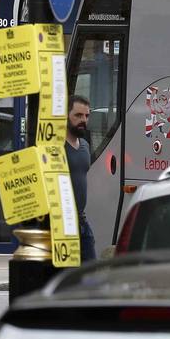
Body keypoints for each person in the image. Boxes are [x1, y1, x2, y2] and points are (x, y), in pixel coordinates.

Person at [65, 95, 96, 262]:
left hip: (81, 223)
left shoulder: (85, 145)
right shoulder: (55, 147)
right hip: (61, 225)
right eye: (78, 115)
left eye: (86, 116)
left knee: (92, 280)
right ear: (65, 116)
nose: (83, 120)